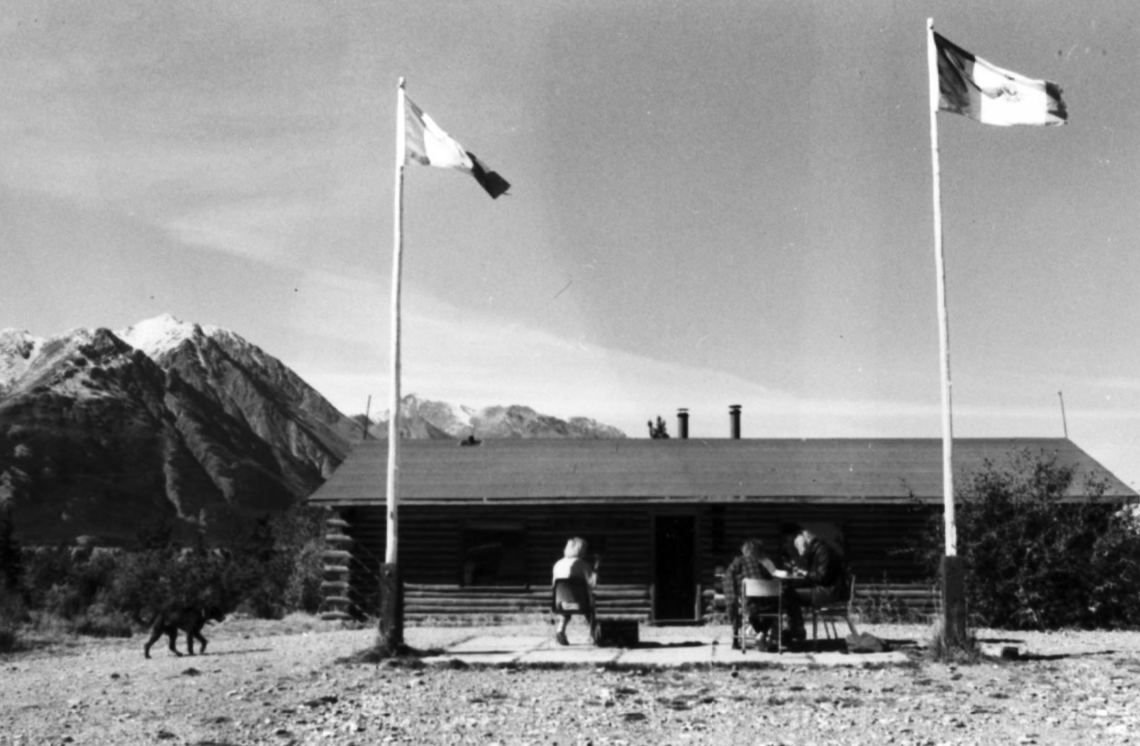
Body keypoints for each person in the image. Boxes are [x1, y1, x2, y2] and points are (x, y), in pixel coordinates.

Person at [780, 524, 848, 643]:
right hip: (828, 589)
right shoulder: (817, 550)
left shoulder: (822, 551)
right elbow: (817, 575)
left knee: (789, 594)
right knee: (789, 590)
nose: (797, 545)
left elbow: (821, 577)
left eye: (798, 542)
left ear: (805, 537)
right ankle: (795, 628)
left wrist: (805, 573)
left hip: (829, 591)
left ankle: (797, 630)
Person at [722, 539, 779, 649]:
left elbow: (728, 581)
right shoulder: (760, 564)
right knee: (775, 608)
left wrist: (732, 601)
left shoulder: (736, 563)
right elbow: (771, 580)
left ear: (744, 551)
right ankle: (763, 633)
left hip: (749, 605)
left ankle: (758, 634)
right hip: (768, 604)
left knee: (748, 610)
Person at [551, 537, 598, 645]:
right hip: (581, 603)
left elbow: (554, 584)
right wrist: (595, 571)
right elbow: (592, 583)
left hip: (560, 604)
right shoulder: (582, 564)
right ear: (581, 550)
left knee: (566, 602)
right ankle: (593, 634)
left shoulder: (558, 564)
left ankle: (560, 630)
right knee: (592, 609)